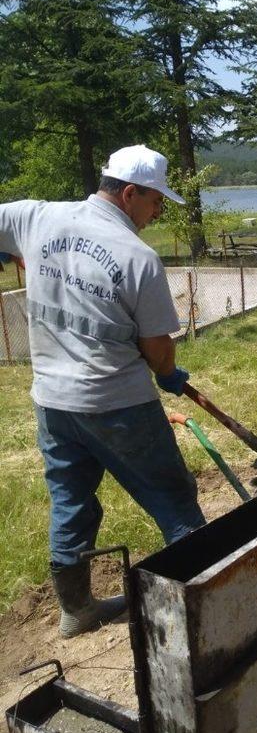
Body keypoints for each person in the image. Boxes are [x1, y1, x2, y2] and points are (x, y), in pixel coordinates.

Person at [0, 145, 205, 638]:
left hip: (54, 403)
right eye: (155, 201)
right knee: (174, 499)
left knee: (71, 501)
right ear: (130, 193)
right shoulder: (137, 256)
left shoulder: (35, 217)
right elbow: (157, 348)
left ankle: (77, 612)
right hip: (119, 405)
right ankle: (204, 601)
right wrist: (168, 375)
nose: (158, 212)